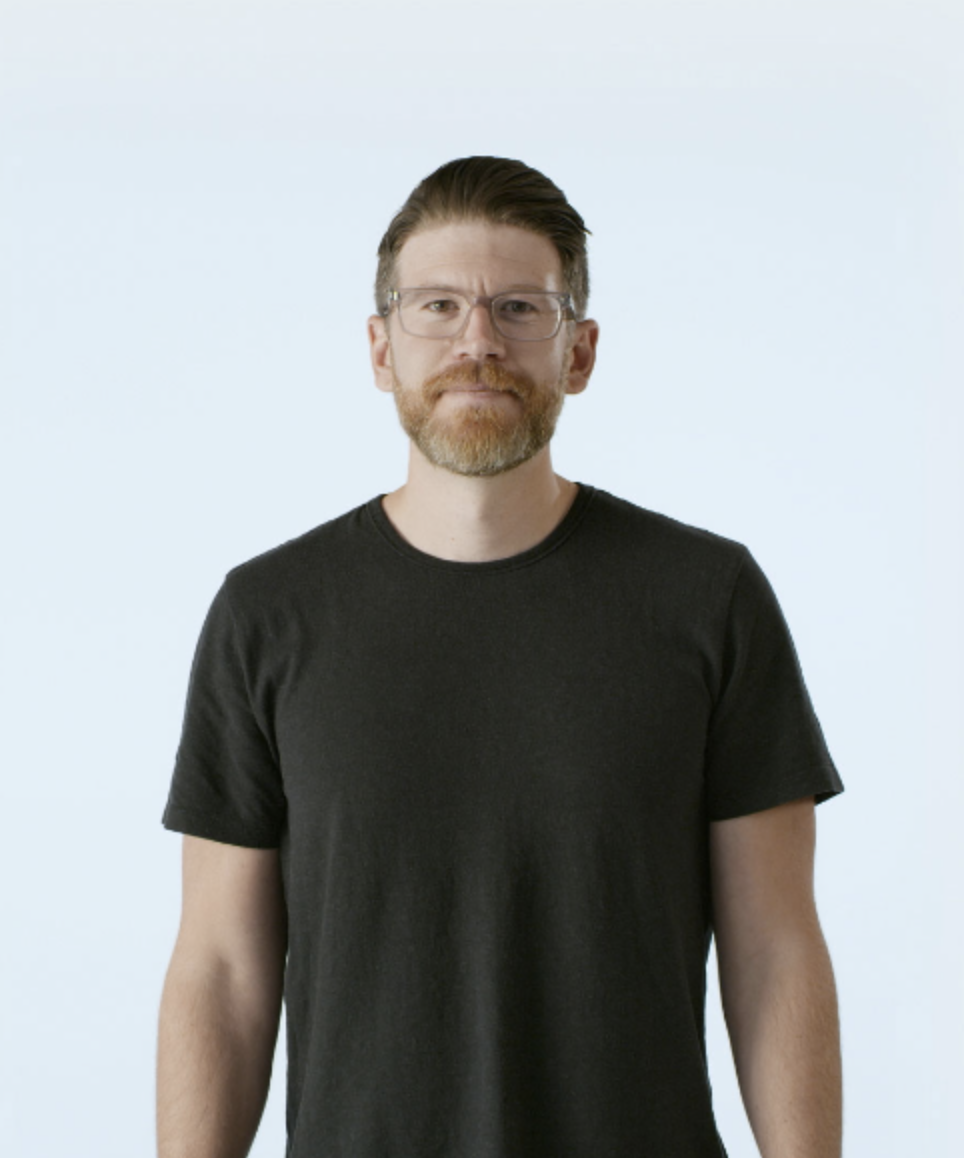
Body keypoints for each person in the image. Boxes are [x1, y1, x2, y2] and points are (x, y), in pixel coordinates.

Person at [157, 156, 845, 1158]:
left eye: (520, 308)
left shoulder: (708, 600)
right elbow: (220, 969)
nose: (477, 341)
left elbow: (776, 949)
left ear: (580, 351)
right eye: (437, 305)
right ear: (381, 347)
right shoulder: (268, 616)